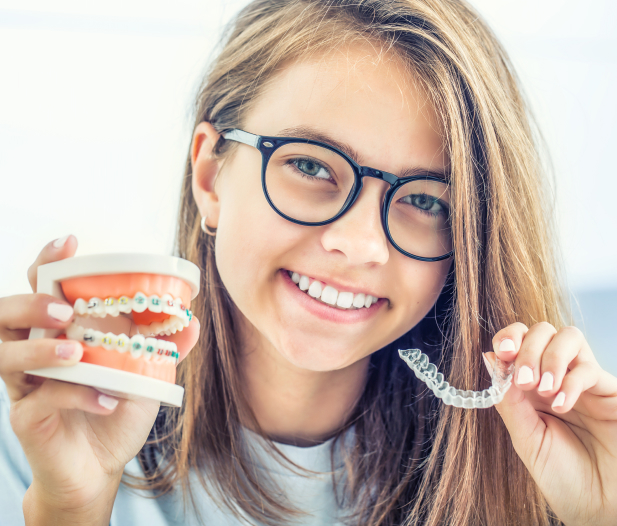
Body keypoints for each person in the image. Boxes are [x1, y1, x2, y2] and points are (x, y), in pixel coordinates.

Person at [1, 0, 616, 525]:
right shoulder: (36, 431)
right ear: (212, 174)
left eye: (426, 200)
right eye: (313, 165)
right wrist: (71, 506)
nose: (361, 244)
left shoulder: (546, 465)